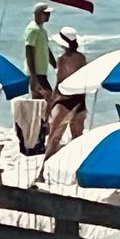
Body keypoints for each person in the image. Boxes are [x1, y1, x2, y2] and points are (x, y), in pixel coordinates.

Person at [42, 28, 88, 161]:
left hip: (64, 100)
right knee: (78, 138)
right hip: (80, 99)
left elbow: (60, 83)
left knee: (54, 138)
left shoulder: (62, 59)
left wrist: (50, 104)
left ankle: (43, 171)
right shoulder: (82, 58)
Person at [24, 3, 55, 100]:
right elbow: (29, 51)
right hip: (36, 73)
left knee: (42, 102)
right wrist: (33, 76)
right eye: (46, 13)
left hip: (41, 73)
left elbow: (47, 49)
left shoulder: (42, 30)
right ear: (38, 14)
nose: (48, 16)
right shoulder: (32, 29)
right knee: (49, 99)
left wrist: (56, 66)